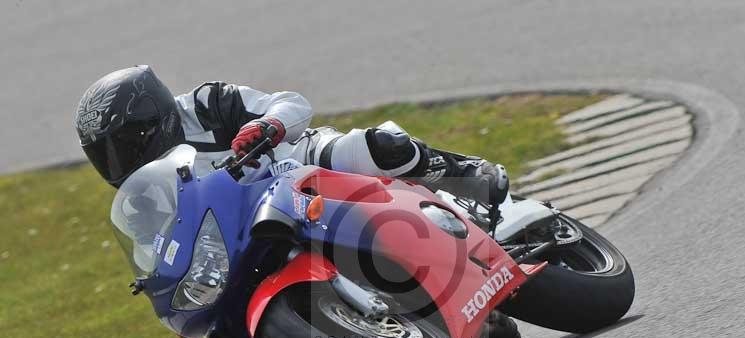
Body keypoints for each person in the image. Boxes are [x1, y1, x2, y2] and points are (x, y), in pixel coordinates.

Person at [75, 65, 508, 208]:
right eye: (106, 155)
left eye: (126, 144)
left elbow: (292, 102)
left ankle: (461, 173)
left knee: (378, 147)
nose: (121, 161)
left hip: (300, 160)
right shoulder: (146, 193)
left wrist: (267, 125)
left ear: (155, 117)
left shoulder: (208, 104)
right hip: (254, 220)